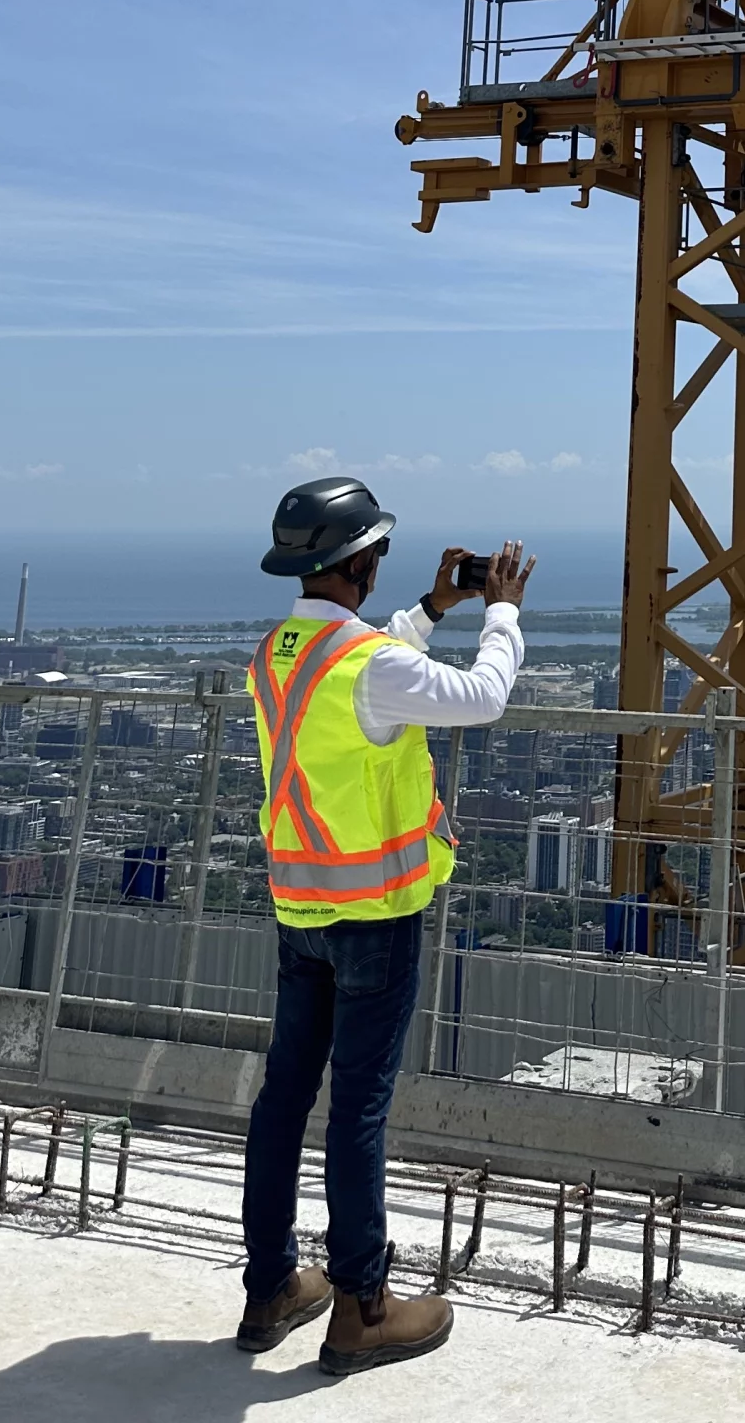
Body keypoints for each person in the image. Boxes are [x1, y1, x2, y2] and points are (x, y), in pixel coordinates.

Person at [236, 472, 534, 1373]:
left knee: (284, 1098)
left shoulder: (278, 654)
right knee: (357, 1111)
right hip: (376, 917)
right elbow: (482, 697)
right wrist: (501, 612)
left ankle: (271, 1288)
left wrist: (432, 608)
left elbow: (363, 676)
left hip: (301, 905)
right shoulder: (368, 664)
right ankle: (362, 1306)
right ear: (362, 561)